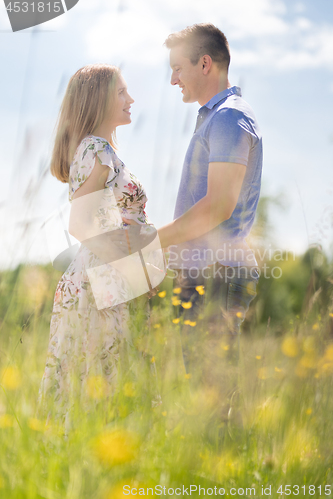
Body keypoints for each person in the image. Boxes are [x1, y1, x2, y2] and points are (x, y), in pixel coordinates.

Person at [37, 64, 164, 430]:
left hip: (104, 282)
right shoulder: (97, 149)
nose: (131, 99)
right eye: (122, 92)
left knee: (98, 386)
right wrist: (136, 274)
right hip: (102, 285)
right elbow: (82, 224)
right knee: (104, 389)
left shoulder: (98, 149)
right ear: (99, 98)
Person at [157, 24, 263, 417]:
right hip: (205, 272)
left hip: (215, 275)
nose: (172, 79)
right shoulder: (216, 118)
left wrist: (153, 242)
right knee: (207, 392)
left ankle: (227, 474)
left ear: (204, 63)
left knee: (213, 398)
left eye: (177, 68)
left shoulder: (228, 118)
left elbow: (219, 205)